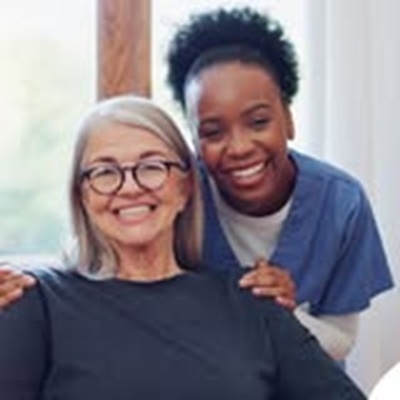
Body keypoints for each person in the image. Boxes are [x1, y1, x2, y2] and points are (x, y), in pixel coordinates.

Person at [0, 7, 394, 362]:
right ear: (193, 141)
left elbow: (342, 339)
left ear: (288, 119)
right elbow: (95, 262)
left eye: (258, 122)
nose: (239, 147)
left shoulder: (341, 203)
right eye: (212, 132)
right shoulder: (170, 192)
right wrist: (23, 286)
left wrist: (282, 314)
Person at [0, 95, 366, 399]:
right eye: (105, 172)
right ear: (82, 195)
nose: (130, 187)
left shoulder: (252, 301)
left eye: (151, 166)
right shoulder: (37, 303)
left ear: (185, 187)